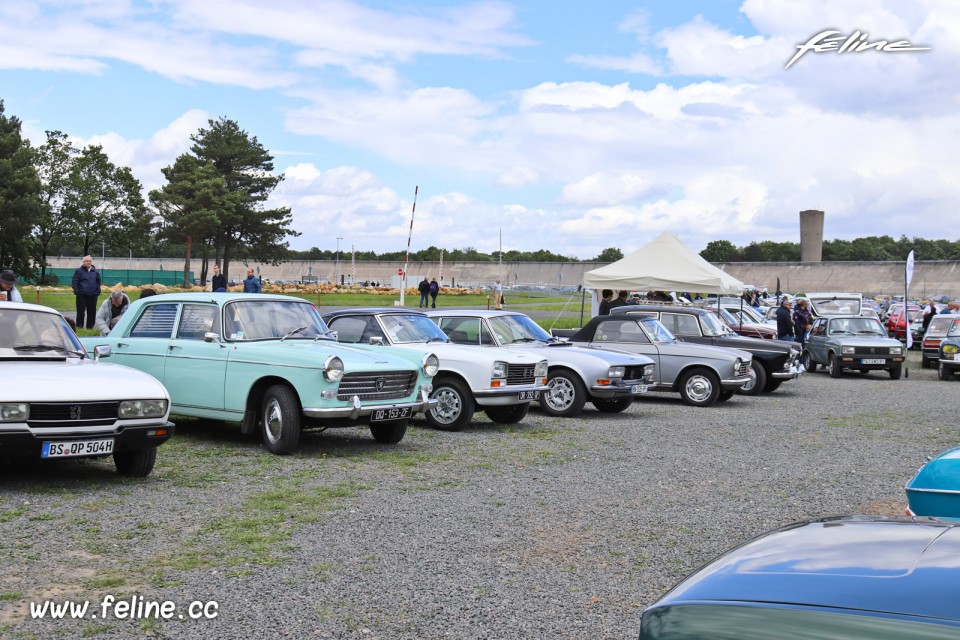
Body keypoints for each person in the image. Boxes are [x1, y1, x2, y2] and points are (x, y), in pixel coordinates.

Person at [71, 255, 101, 329]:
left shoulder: (95, 272)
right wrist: (77, 291)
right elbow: (75, 281)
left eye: (90, 261)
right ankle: (79, 326)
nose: (89, 262)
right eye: (87, 261)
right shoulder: (79, 271)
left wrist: (97, 291)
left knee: (92, 312)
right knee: (81, 311)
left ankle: (90, 327)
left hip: (93, 295)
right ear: (83, 262)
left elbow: (98, 282)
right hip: (82, 295)